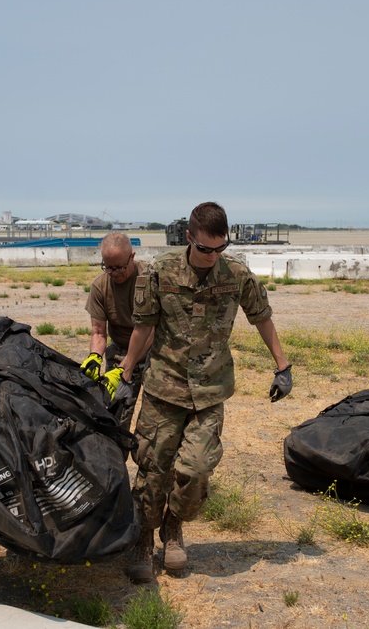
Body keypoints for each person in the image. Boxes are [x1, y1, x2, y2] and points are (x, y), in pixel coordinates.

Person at [103, 201, 292, 584]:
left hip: (209, 391)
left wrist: (283, 366)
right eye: (206, 249)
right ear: (189, 238)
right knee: (152, 472)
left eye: (220, 248)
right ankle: (142, 540)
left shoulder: (236, 273)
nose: (213, 256)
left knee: (196, 471)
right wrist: (124, 377)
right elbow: (142, 330)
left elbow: (262, 318)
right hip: (163, 388)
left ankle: (173, 528)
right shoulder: (160, 273)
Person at [80, 231, 153, 431]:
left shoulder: (149, 279)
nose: (115, 273)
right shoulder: (100, 286)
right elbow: (98, 332)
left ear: (132, 257)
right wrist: (95, 356)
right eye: (108, 268)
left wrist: (126, 367)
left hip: (154, 352)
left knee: (154, 423)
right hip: (120, 350)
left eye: (120, 267)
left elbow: (149, 329)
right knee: (114, 418)